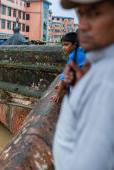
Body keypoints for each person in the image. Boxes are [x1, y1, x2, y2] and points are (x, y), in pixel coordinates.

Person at [53, 0, 114, 170]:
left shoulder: (107, 83)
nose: (83, 26)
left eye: (95, 14)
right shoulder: (97, 67)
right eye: (81, 14)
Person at [50, 32, 86, 102]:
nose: (64, 48)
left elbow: (64, 76)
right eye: (62, 45)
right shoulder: (81, 51)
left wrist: (58, 94)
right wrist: (61, 84)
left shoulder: (74, 56)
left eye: (66, 45)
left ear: (75, 44)